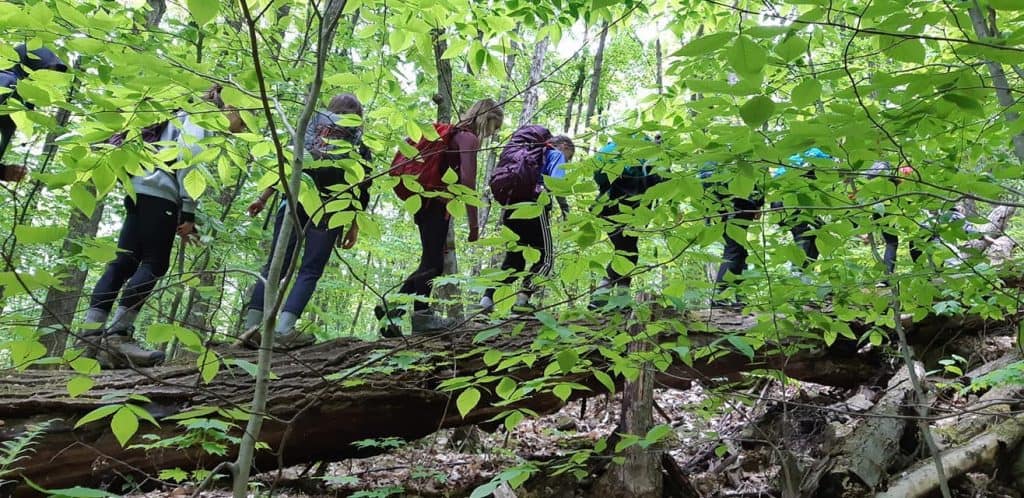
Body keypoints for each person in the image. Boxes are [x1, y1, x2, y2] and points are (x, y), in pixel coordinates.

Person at [78, 86, 245, 368]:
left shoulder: (178, 111)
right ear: (230, 108)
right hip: (160, 191)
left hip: (139, 188)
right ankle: (117, 337)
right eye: (240, 122)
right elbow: (189, 158)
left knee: (124, 262)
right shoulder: (199, 116)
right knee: (154, 263)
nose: (237, 130)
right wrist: (188, 211)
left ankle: (89, 338)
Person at [243, 93, 372, 349]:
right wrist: (354, 225)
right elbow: (362, 187)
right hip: (332, 209)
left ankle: (250, 328)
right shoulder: (359, 146)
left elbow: (286, 165)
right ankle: (283, 330)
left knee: (274, 267)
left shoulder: (309, 130)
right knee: (310, 270)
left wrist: (264, 197)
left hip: (293, 200)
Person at [378, 99, 504, 334]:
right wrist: (474, 225)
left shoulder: (453, 134)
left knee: (430, 260)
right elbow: (468, 182)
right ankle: (422, 318)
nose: (493, 134)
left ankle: (390, 310)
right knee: (432, 264)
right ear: (486, 119)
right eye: (493, 127)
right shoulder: (468, 138)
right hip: (434, 203)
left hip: (424, 201)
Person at [479, 134, 575, 313]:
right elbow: (557, 184)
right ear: (563, 145)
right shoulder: (555, 154)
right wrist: (565, 210)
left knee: (513, 262)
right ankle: (522, 301)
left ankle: (487, 299)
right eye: (569, 156)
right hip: (535, 207)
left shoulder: (528, 153)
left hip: (511, 209)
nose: (567, 161)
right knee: (546, 258)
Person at [590, 135, 664, 307]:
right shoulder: (648, 157)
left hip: (604, 206)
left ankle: (621, 298)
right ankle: (601, 295)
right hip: (630, 207)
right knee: (626, 252)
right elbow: (659, 183)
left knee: (626, 250)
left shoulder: (614, 151)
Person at [700, 159, 764, 307]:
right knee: (734, 250)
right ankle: (719, 297)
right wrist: (758, 203)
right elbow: (755, 176)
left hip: (720, 205)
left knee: (739, 251)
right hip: (740, 204)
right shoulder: (744, 154)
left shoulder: (715, 159)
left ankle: (740, 296)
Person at [0, 44, 68, 182]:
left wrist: (3, 172)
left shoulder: (23, 100)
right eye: (44, 73)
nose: (47, 81)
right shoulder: (7, 82)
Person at [774, 147, 834, 266]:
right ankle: (797, 273)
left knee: (818, 232)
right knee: (804, 235)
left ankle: (804, 275)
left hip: (781, 204)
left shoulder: (797, 160)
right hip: (792, 203)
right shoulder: (815, 160)